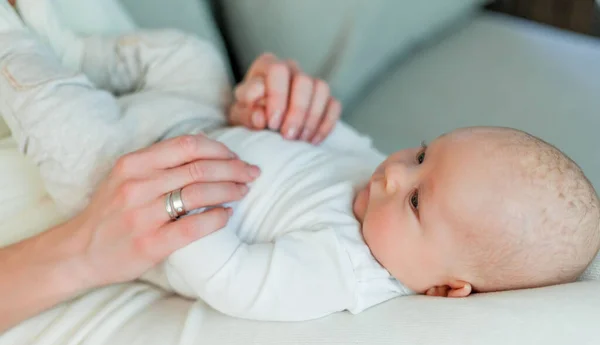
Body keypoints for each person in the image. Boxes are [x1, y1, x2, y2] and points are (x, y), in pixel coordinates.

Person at [3, 0, 600, 324]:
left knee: (49, 103)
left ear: (445, 287)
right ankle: (77, 50)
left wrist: (181, 219)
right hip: (199, 121)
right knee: (191, 56)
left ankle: (19, 45)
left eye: (417, 198)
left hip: (123, 177)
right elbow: (321, 138)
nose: (394, 171)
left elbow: (239, 284)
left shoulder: (342, 269)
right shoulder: (375, 188)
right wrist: (270, 109)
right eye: (422, 152)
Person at [0, 0, 341, 332]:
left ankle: (55, 50)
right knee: (51, 99)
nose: (395, 178)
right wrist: (80, 251)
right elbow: (229, 276)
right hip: (107, 185)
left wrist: (262, 116)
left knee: (193, 58)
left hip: (177, 123)